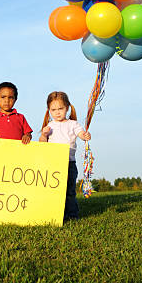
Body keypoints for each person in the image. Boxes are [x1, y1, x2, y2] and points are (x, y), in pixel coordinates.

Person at [39, 91, 91, 221]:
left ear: (67, 107)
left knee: (69, 191)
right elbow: (42, 143)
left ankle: (72, 215)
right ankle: (56, 215)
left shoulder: (73, 124)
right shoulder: (50, 126)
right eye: (53, 110)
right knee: (54, 190)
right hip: (53, 163)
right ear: (49, 110)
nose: (57, 112)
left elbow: (80, 133)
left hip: (69, 163)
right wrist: (44, 134)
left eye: (60, 109)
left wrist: (85, 136)